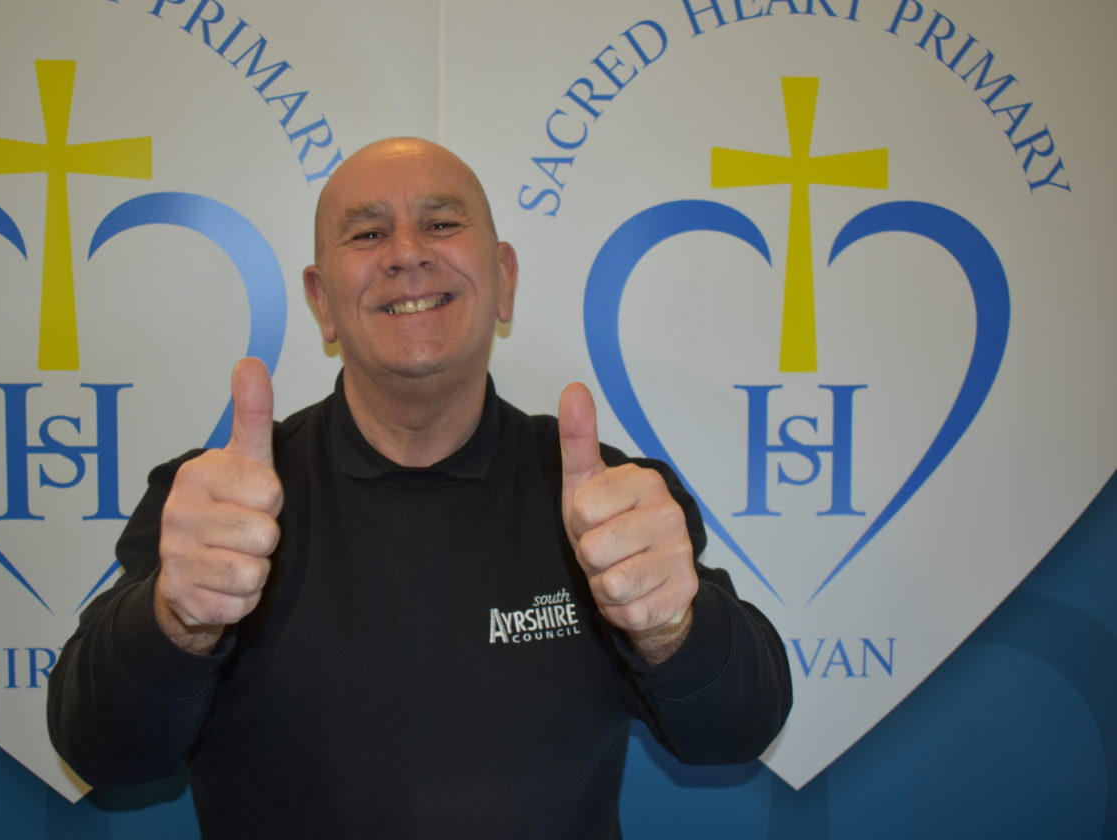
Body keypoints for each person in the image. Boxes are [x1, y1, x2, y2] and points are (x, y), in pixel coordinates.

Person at [47, 137, 791, 839]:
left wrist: (668, 629)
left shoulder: (609, 505)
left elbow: (736, 730)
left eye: (440, 223)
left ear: (504, 277)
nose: (406, 253)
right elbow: (102, 750)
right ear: (321, 301)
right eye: (368, 233)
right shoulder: (218, 508)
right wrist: (176, 622)